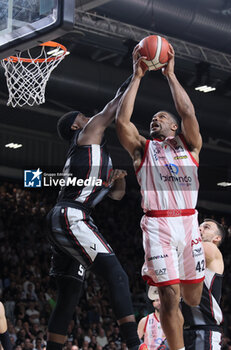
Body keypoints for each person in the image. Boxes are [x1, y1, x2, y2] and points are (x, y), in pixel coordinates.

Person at [116, 43, 205, 350]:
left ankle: (181, 289)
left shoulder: (190, 146)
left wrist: (170, 75)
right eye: (152, 118)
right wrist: (137, 76)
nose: (155, 120)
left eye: (161, 117)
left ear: (174, 127)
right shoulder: (144, 150)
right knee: (169, 297)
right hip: (158, 226)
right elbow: (121, 123)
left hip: (189, 223)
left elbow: (188, 110)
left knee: (192, 298)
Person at [46, 77, 144, 350]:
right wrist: (135, 73)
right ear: (77, 125)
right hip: (71, 216)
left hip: (67, 216)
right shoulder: (86, 135)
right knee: (118, 276)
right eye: (83, 116)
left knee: (68, 296)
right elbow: (113, 107)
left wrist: (120, 180)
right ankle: (135, 345)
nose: (89, 117)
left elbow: (117, 196)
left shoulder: (94, 155)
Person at [182, 219, 225, 350]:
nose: (200, 229)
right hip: (184, 330)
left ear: (217, 238)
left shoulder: (210, 248)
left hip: (204, 330)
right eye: (199, 226)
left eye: (206, 227)